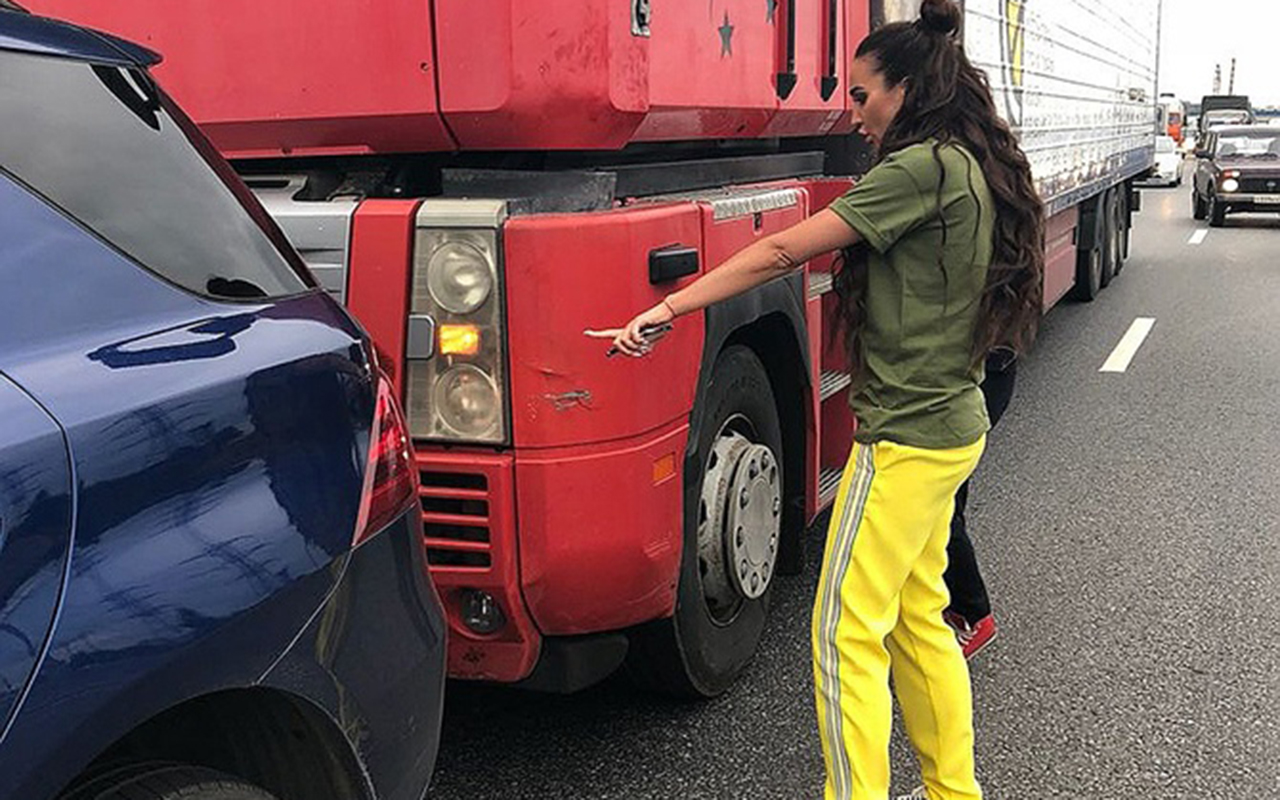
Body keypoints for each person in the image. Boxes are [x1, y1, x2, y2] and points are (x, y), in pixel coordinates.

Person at [588, 1, 1044, 797]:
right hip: (951, 426)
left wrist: (667, 308)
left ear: (906, 89)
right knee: (916, 619)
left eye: (864, 96)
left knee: (843, 634)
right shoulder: (963, 162)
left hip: (905, 436)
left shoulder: (921, 169)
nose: (853, 113)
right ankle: (952, 791)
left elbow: (778, 249)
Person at [942, 349, 1016, 660]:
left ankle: (975, 614)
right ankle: (955, 607)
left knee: (944, 511)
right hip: (976, 378)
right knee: (947, 505)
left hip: (984, 379)